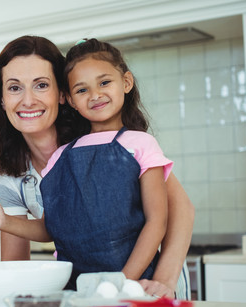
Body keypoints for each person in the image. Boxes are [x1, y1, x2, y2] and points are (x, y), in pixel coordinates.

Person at [0, 35, 194, 299]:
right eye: (15, 88)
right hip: (87, 294)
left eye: (41, 85)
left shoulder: (105, 136)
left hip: (150, 283)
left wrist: (160, 280)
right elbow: (20, 269)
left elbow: (179, 210)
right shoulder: (7, 172)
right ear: (1, 99)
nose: (28, 100)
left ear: (63, 94)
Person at [38, 38, 169, 288]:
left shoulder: (141, 144)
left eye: (105, 82)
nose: (95, 95)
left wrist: (121, 282)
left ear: (126, 82)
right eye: (82, 90)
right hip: (74, 288)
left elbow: (157, 222)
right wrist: (3, 221)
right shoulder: (58, 157)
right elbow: (48, 229)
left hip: (133, 286)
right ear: (69, 99)